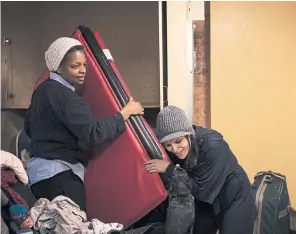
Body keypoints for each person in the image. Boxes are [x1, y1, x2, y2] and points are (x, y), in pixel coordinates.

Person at [25, 37, 144, 211]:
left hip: (39, 177)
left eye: (84, 65)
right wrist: (125, 113)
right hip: (61, 178)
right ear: (58, 67)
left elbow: (29, 128)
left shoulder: (41, 91)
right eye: (75, 66)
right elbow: (92, 134)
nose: (82, 71)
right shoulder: (64, 95)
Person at [143, 106, 257, 234]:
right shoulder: (177, 150)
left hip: (234, 196)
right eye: (168, 145)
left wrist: (169, 169)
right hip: (206, 200)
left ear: (188, 134)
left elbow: (201, 190)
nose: (174, 149)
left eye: (178, 141)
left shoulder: (213, 145)